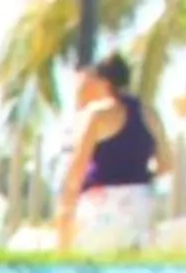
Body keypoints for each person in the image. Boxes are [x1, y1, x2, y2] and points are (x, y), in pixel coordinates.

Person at [56, 54, 173, 255]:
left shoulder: (96, 114)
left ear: (103, 82)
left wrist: (65, 210)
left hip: (102, 205)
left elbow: (77, 169)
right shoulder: (150, 114)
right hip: (140, 202)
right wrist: (139, 176)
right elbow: (167, 164)